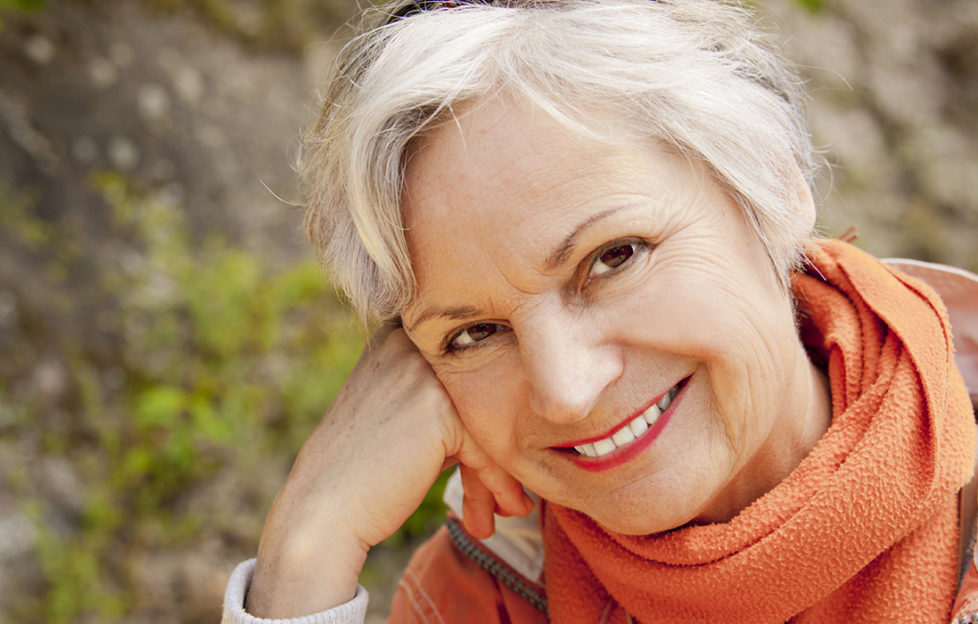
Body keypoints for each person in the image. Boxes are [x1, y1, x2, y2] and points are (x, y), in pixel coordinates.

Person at [222, 1, 978, 621]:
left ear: (776, 183)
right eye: (473, 334)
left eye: (613, 258)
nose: (566, 389)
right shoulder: (476, 600)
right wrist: (306, 552)